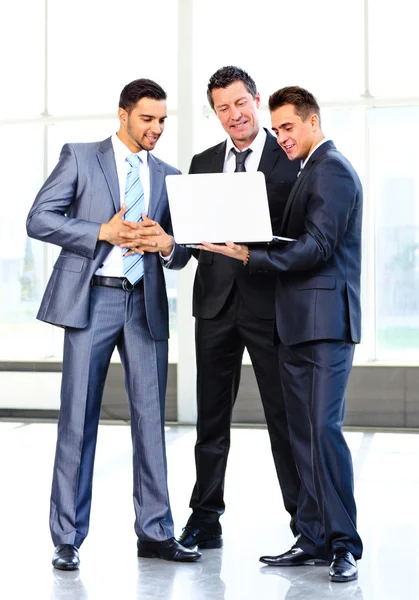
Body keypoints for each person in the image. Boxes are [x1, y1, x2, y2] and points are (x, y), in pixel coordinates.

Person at [26, 78, 201, 569]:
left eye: (163, 120)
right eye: (147, 119)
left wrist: (166, 244)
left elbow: (182, 249)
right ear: (123, 114)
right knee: (77, 420)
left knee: (151, 421)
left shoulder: (168, 174)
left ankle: (156, 532)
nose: (156, 129)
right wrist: (100, 231)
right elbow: (38, 218)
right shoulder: (81, 157)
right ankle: (67, 537)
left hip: (143, 302)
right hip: (91, 302)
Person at [197, 85, 363, 583]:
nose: (282, 137)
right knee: (302, 435)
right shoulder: (310, 169)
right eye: (278, 129)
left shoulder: (332, 168)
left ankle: (343, 543)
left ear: (313, 121)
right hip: (293, 324)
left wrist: (250, 254)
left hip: (324, 325)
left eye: (289, 127)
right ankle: (311, 537)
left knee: (322, 432)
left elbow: (317, 246)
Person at [177, 66, 301, 550]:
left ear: (256, 100)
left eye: (240, 103)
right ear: (215, 113)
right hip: (213, 306)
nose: (234, 115)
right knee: (210, 421)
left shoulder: (288, 157)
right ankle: (204, 519)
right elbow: (191, 237)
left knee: (283, 419)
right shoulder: (203, 160)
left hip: (269, 303)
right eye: (222, 108)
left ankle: (304, 524)